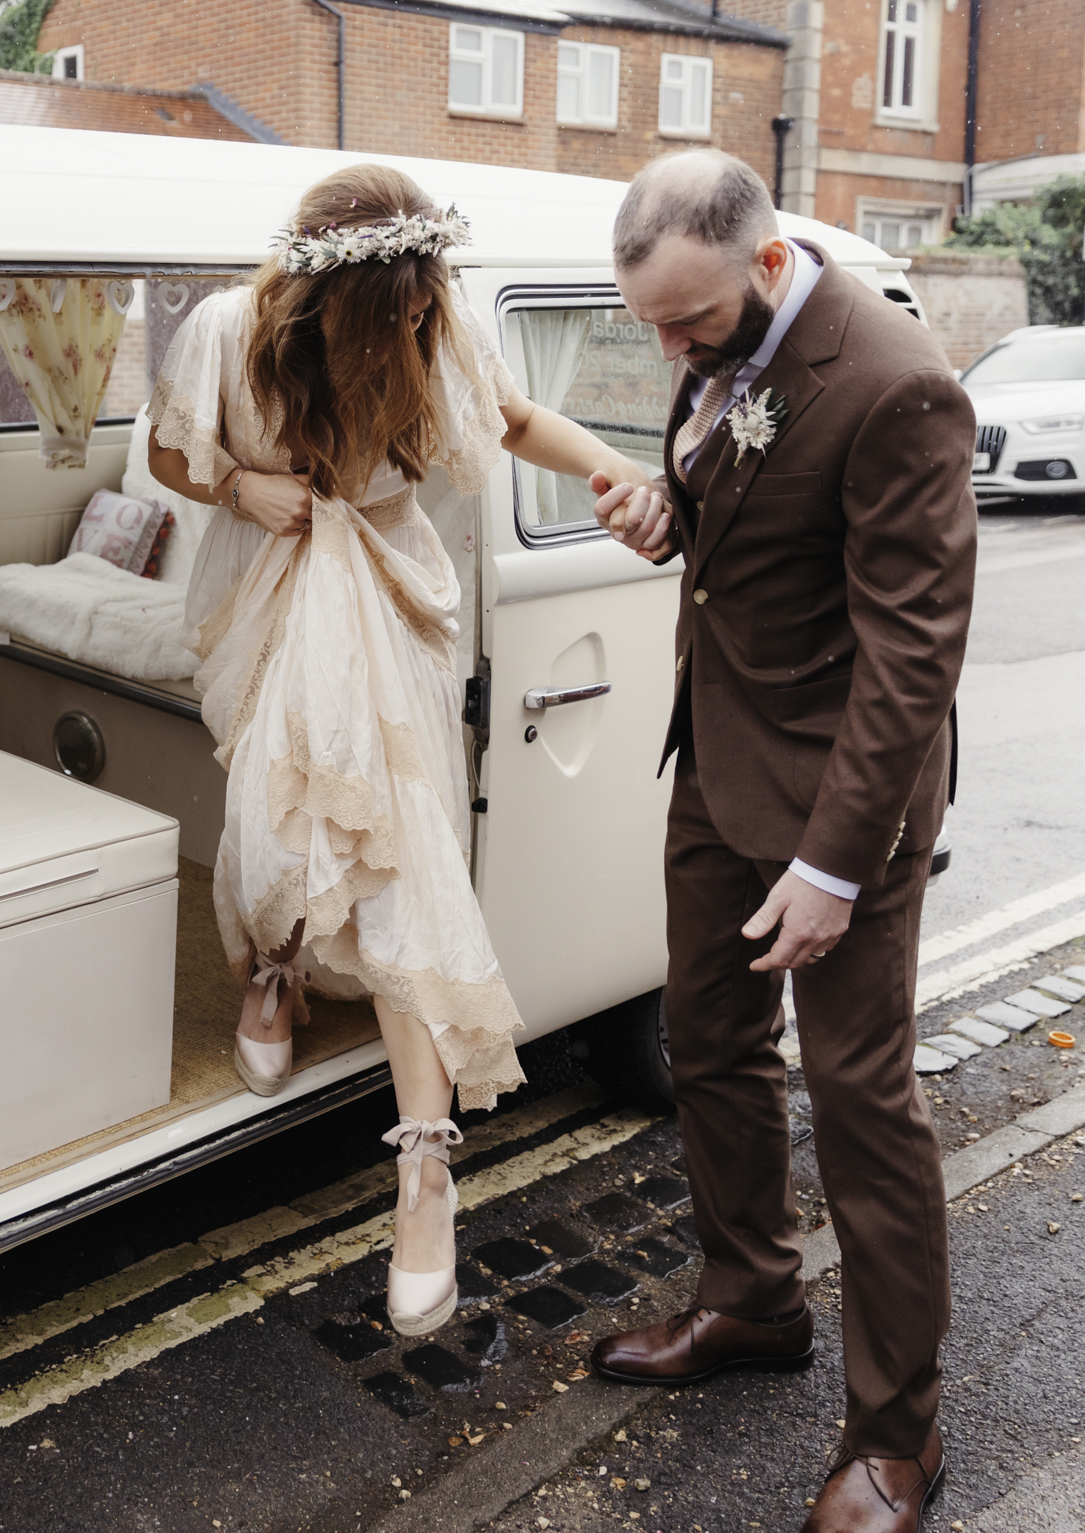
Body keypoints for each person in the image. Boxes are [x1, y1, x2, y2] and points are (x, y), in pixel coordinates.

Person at [146, 164, 659, 1336]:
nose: (427, 315)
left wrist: (618, 472)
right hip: (272, 581)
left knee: (400, 859)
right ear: (330, 301)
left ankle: (423, 1167)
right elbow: (164, 455)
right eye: (405, 302)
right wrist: (238, 483)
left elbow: (512, 419)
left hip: (391, 591)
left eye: (433, 295)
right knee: (275, 821)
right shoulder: (229, 330)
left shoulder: (437, 316)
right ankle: (271, 969)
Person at [588, 149, 974, 1533]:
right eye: (653, 327)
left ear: (766, 264)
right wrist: (665, 505)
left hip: (841, 801)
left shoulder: (896, 380)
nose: (672, 348)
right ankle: (750, 1300)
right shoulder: (717, 330)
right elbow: (742, 502)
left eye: (688, 324)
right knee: (710, 1037)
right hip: (716, 762)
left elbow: (913, 654)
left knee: (863, 1101)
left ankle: (897, 1437)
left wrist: (832, 866)